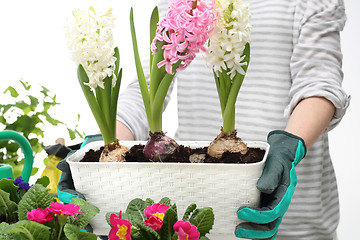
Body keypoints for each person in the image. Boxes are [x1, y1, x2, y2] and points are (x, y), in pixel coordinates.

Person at [115, 0, 349, 239]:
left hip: (295, 225)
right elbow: (147, 86)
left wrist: (289, 147)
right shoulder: (184, 3)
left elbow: (320, 85)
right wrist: (107, 144)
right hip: (195, 219)